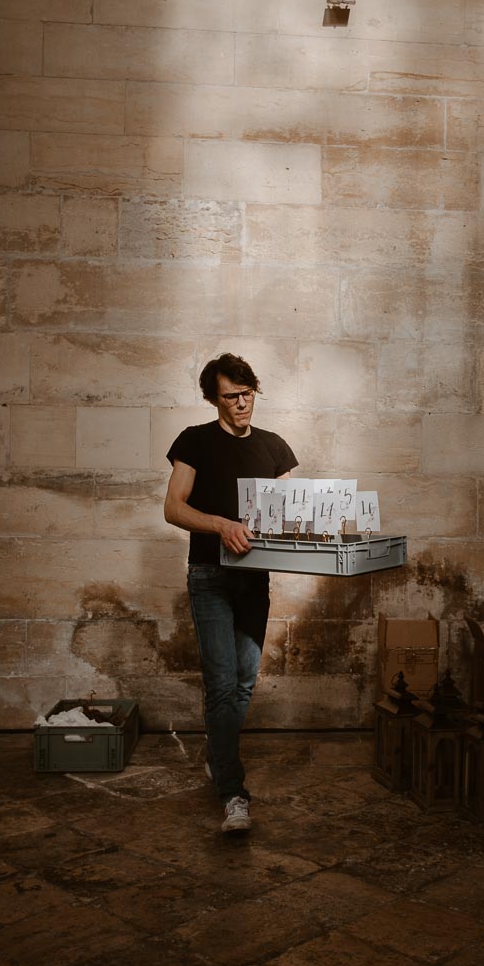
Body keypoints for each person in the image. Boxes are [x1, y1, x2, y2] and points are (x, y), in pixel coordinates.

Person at [164, 353, 297, 834]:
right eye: (231, 397)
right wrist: (220, 525)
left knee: (243, 682)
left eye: (247, 394)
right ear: (212, 399)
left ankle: (217, 756)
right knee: (221, 685)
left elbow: (286, 514)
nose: (242, 404)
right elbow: (173, 509)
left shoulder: (274, 447)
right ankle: (233, 793)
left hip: (253, 580)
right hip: (209, 576)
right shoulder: (195, 442)